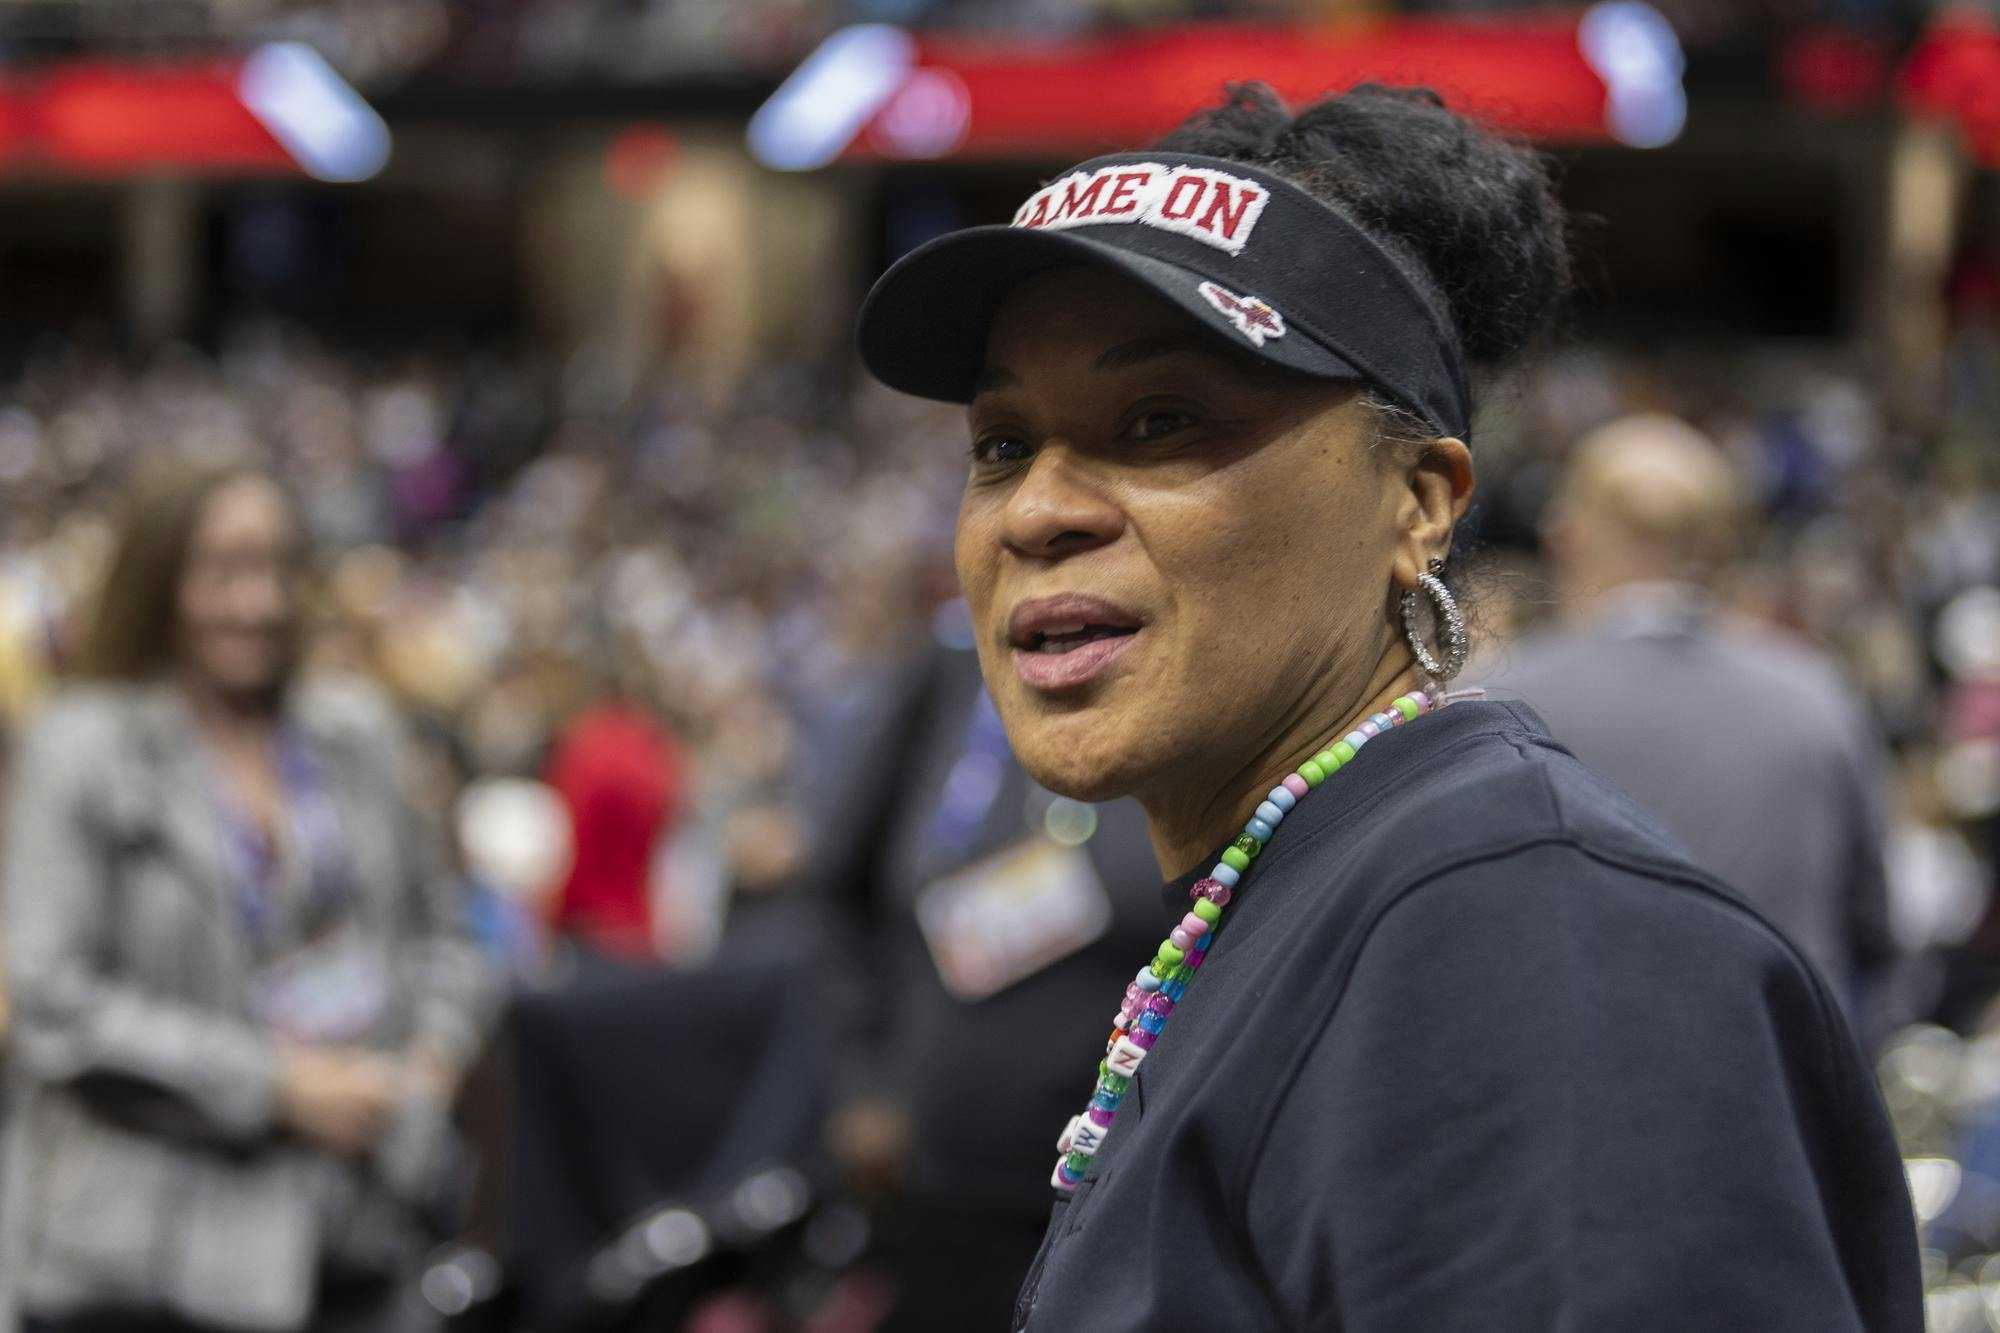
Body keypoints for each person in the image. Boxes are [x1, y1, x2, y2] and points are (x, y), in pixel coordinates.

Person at [854, 83, 1922, 1330]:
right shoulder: (1325, 888)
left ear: (1417, 499)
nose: (1037, 510)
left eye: (1160, 419)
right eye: (999, 444)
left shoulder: (1527, 932)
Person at [1, 458, 493, 1333]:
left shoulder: (357, 732)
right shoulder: (81, 748)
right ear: (160, 580)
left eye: (276, 566)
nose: (258, 603)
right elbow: (55, 1002)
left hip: (363, 1226)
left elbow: (448, 933)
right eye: (223, 570)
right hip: (143, 1258)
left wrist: (427, 1060)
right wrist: (278, 1086)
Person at [1474, 413, 1898, 1015]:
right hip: (1780, 1085)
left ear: (1566, 535)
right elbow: (1876, 938)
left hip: (1571, 1083)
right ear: (1721, 544)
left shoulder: (1497, 703)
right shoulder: (1817, 697)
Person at [811, 622, 1167, 1331]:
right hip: (939, 1177)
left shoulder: (1186, 685)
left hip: (1125, 1191)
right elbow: (838, 895)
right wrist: (863, 1079)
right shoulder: (949, 678)